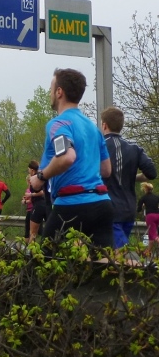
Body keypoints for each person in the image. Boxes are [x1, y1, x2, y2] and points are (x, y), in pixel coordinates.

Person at [29, 68, 114, 252]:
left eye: (51, 88)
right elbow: (106, 170)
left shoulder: (59, 124)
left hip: (71, 204)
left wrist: (40, 177)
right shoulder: (93, 127)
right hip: (102, 203)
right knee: (102, 265)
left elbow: (67, 156)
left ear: (59, 92)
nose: (50, 93)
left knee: (43, 262)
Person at [101, 106, 157, 250]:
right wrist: (131, 176)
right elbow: (151, 173)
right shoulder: (134, 149)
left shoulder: (100, 146)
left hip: (109, 209)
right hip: (129, 209)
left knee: (120, 254)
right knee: (115, 254)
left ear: (104, 125)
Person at [24, 160, 49, 243]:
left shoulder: (36, 179)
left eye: (28, 169)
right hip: (46, 204)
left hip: (38, 205)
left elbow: (42, 192)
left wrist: (30, 195)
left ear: (32, 170)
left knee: (32, 233)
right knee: (48, 231)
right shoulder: (41, 176)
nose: (28, 171)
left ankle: (31, 250)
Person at [138, 183, 159, 251]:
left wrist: (142, 207)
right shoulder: (156, 197)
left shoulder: (144, 197)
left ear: (145, 189)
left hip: (150, 216)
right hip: (158, 215)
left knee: (153, 235)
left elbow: (139, 209)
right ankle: (147, 252)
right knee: (151, 236)